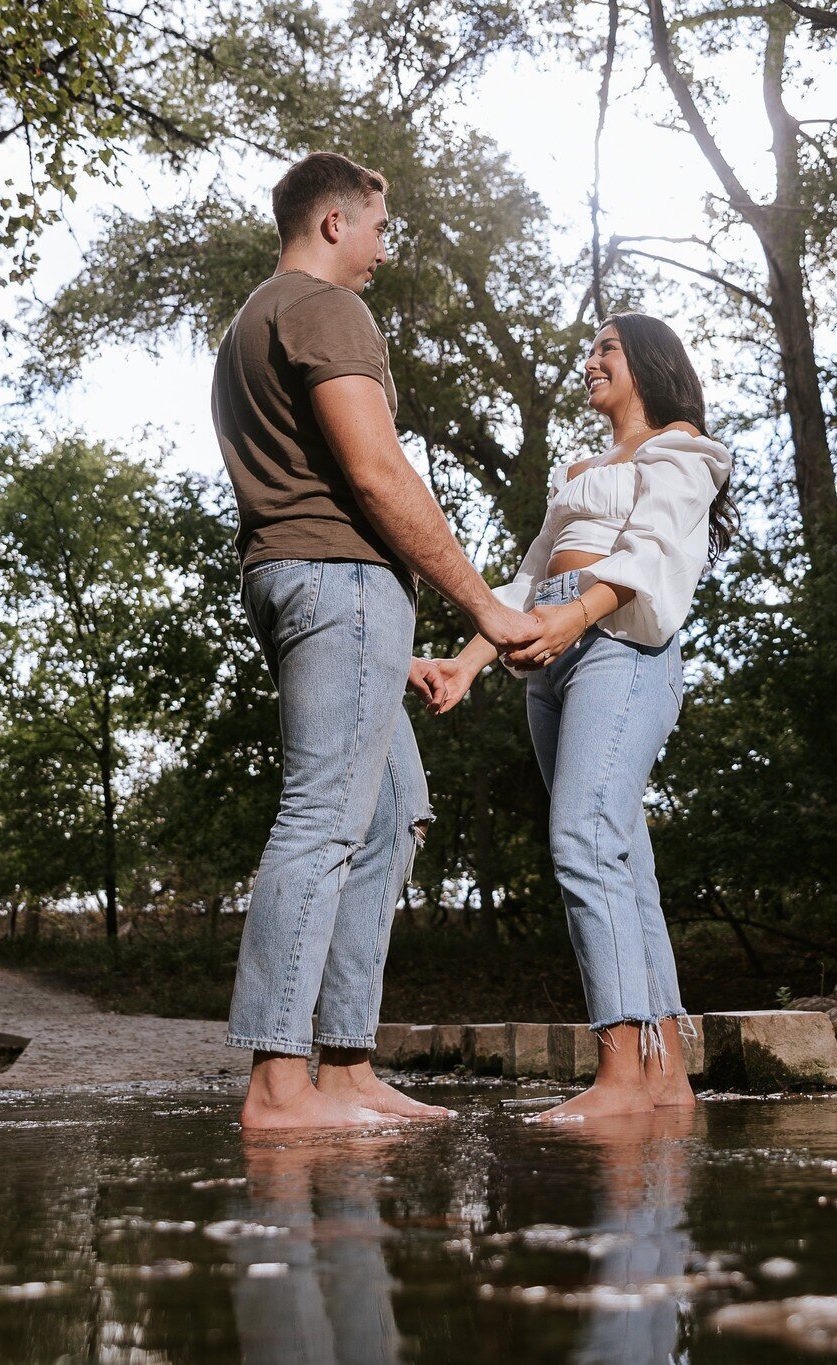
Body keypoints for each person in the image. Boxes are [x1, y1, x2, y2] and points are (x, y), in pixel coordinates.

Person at [213, 151, 544, 1130]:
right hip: (339, 582)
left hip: (318, 594)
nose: (382, 253)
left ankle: (346, 1067)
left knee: (394, 807)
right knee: (323, 817)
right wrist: (484, 606)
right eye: (377, 229)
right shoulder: (323, 307)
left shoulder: (250, 324)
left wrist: (374, 647)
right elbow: (373, 471)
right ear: (331, 223)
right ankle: (279, 1083)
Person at [418, 314, 735, 1121]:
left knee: (584, 839)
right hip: (549, 660)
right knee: (620, 855)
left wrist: (575, 619)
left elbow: (652, 550)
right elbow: (529, 578)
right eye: (589, 348)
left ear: (651, 364)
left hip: (621, 648)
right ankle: (666, 1080)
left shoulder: (683, 449)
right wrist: (469, 658)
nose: (590, 360)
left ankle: (622, 1075)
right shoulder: (583, 469)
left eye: (608, 348)